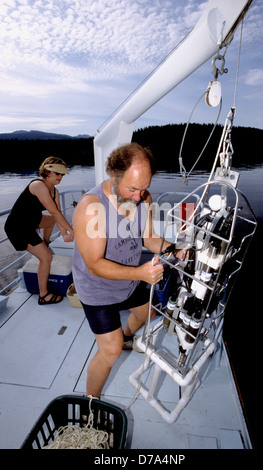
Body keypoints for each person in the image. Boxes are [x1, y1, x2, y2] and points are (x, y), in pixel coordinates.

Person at [72, 143, 176, 399]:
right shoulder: (90, 208)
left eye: (143, 188)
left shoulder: (143, 197)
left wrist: (175, 248)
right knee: (111, 351)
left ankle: (128, 335)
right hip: (98, 288)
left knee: (147, 312)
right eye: (132, 189)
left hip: (130, 278)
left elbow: (149, 238)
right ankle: (91, 405)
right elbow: (95, 264)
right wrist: (141, 274)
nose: (140, 196)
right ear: (114, 175)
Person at [5, 156, 75, 305]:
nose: (61, 177)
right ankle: (43, 295)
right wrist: (72, 231)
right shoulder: (38, 185)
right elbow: (55, 213)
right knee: (46, 258)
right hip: (18, 227)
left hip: (32, 221)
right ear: (47, 172)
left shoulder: (54, 191)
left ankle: (45, 242)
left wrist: (64, 232)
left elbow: (57, 215)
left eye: (62, 174)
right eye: (57, 173)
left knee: (50, 221)